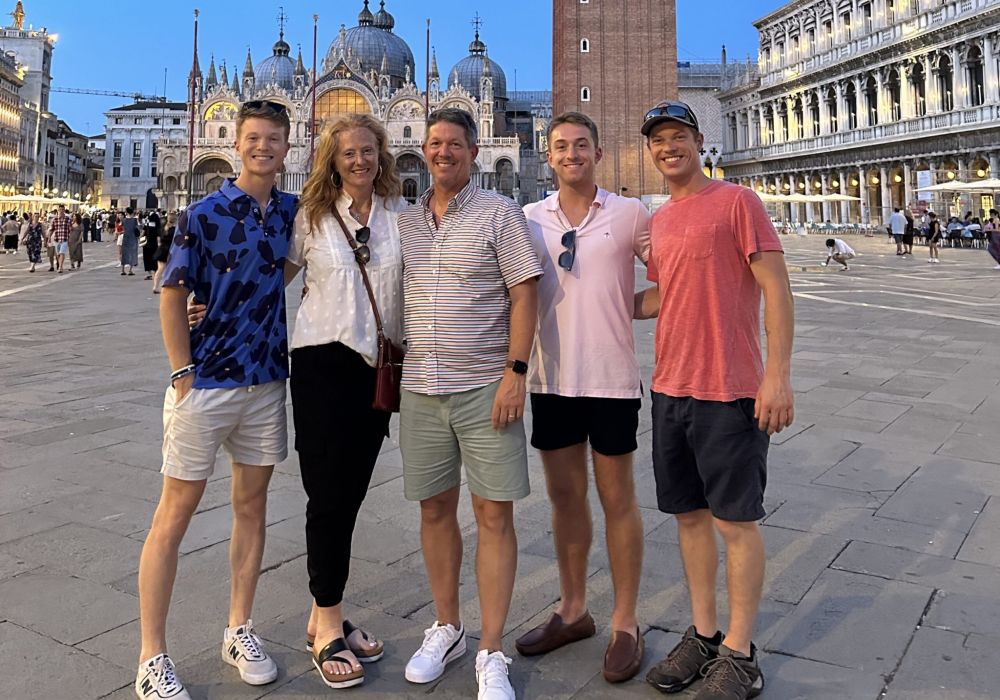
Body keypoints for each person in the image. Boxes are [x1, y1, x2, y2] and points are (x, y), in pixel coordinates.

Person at [133, 100, 296, 700]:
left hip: (265, 382)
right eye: (253, 137)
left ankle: (238, 629)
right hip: (206, 383)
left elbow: (284, 269)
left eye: (273, 138)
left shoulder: (290, 211)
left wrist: (248, 300)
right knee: (173, 516)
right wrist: (182, 372)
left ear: (288, 146)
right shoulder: (202, 214)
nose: (262, 147)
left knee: (252, 508)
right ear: (236, 142)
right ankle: (151, 656)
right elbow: (171, 292)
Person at [635, 101, 794, 700]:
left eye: (678, 136)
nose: (668, 147)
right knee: (689, 518)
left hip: (730, 390)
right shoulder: (661, 220)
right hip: (670, 389)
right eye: (658, 140)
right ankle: (704, 635)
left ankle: (741, 654)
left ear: (699, 140)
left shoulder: (738, 202)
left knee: (735, 522)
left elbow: (776, 288)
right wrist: (594, 299)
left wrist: (777, 376)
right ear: (650, 150)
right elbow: (663, 296)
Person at [398, 108, 542, 700]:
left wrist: (516, 373)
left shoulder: (500, 212)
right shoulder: (405, 221)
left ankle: (492, 649)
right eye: (435, 143)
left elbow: (525, 292)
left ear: (475, 151)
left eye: (454, 143)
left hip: (486, 385)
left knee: (493, 515)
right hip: (420, 387)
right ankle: (447, 627)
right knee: (434, 511)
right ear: (422, 149)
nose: (443, 152)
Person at [515, 112, 650, 684]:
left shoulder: (630, 213)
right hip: (551, 381)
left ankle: (625, 621)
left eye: (581, 145)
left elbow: (675, 275)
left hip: (611, 379)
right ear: (547, 156)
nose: (571, 154)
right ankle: (573, 611)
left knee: (618, 499)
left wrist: (630, 306)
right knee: (565, 500)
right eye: (561, 146)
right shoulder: (528, 219)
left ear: (598, 152)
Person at [281, 113, 407, 689]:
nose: (359, 160)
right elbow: (271, 282)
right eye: (348, 152)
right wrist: (201, 306)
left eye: (367, 150)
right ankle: (329, 622)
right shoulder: (309, 217)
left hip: (374, 370)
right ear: (330, 160)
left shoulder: (400, 217)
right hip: (320, 365)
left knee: (349, 496)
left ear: (382, 156)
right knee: (328, 496)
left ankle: (321, 613)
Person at [152, 211, 176, 293]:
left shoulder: (163, 227)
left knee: (160, 269)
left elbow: (159, 238)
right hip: (169, 250)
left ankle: (156, 286)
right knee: (166, 269)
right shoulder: (174, 229)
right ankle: (159, 286)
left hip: (163, 249)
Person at [49, 204, 72, 273]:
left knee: (62, 252)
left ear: (64, 210)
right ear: (58, 210)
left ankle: (60, 267)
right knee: (58, 254)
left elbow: (70, 229)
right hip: (57, 239)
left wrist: (70, 238)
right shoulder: (55, 219)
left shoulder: (67, 219)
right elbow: (52, 229)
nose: (61, 211)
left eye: (62, 209)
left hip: (64, 238)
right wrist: (49, 238)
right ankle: (59, 264)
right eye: (60, 210)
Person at [120, 208, 140, 276]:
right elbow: (137, 228)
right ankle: (130, 270)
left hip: (126, 237)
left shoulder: (124, 220)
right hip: (133, 237)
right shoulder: (135, 220)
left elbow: (123, 227)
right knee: (132, 253)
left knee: (124, 253)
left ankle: (123, 270)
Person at [143, 211, 161, 280]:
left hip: (146, 243)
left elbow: (143, 232)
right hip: (154, 244)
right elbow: (158, 235)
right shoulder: (157, 225)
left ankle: (151, 274)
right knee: (154, 258)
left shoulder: (147, 223)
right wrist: (159, 244)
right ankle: (155, 273)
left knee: (147, 258)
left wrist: (139, 239)